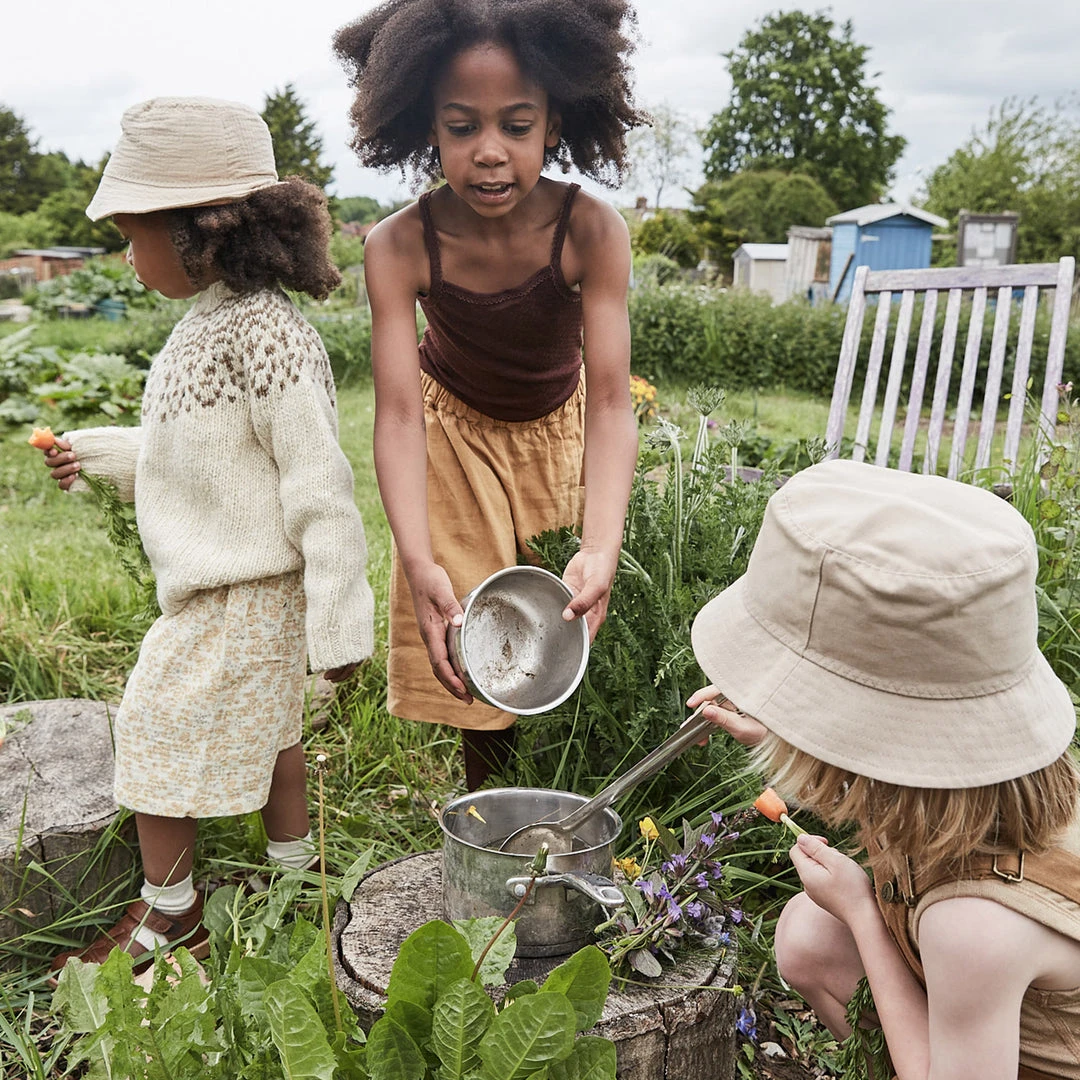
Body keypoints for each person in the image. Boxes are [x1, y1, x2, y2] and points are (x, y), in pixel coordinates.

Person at [39, 97, 375, 980]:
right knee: (275, 734)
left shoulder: (267, 335)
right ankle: (296, 880)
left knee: (150, 730)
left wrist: (340, 622)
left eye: (132, 232)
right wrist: (101, 451)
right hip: (239, 590)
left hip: (247, 593)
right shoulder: (209, 325)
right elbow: (197, 455)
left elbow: (318, 482)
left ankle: (173, 913)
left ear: (200, 230)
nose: (126, 252)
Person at [333, 0, 644, 790]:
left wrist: (601, 544)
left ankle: (564, 800)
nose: (490, 153)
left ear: (555, 125)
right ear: (424, 127)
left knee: (559, 627)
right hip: (453, 440)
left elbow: (612, 400)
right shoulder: (397, 245)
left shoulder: (592, 231)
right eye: (462, 126)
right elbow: (398, 413)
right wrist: (416, 556)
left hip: (559, 436)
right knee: (477, 642)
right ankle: (492, 814)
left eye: (516, 124)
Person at [689, 458, 1080, 1080]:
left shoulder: (975, 924)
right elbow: (893, 764)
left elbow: (963, 932)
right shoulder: (985, 785)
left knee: (826, 931)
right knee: (809, 938)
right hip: (990, 1012)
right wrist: (786, 729)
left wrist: (863, 913)